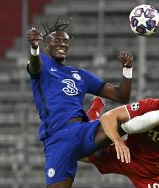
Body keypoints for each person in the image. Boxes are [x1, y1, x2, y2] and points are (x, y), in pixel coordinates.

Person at [26, 17, 135, 188]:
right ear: (46, 45)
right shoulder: (42, 63)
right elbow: (33, 66)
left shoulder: (80, 74)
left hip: (82, 132)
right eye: (57, 40)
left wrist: (127, 70)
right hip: (57, 138)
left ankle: (151, 144)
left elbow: (121, 96)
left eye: (66, 41)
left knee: (124, 118)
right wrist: (34, 48)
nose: (62, 44)